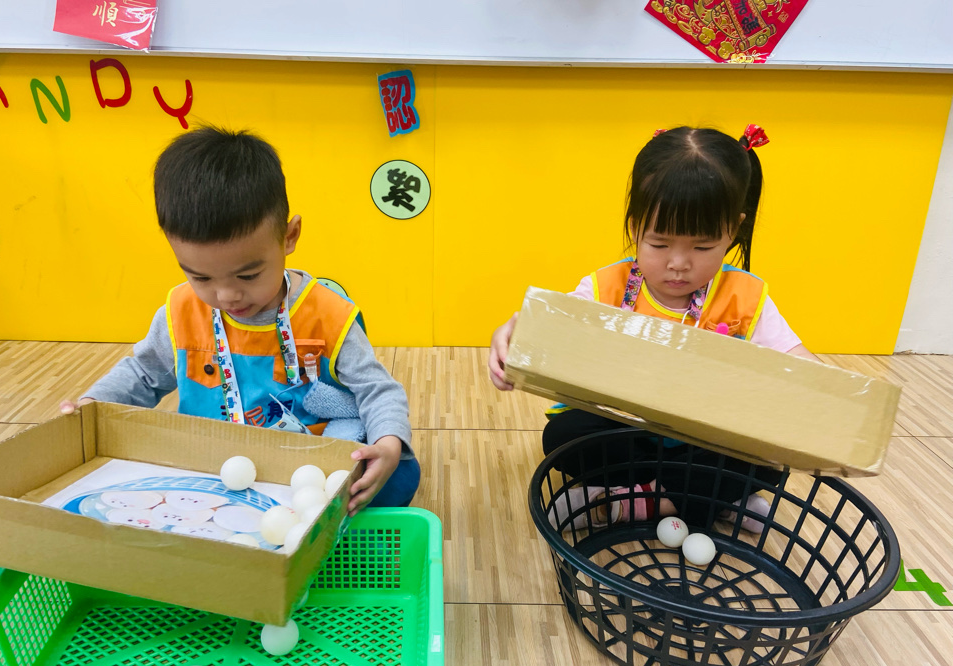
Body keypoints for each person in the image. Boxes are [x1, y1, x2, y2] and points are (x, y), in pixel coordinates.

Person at [60, 126, 418, 513]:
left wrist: (387, 442)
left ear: (289, 236)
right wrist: (92, 403)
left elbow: (378, 390)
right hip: (209, 465)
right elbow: (142, 375)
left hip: (305, 468)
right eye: (201, 278)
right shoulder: (180, 312)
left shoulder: (329, 315)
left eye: (247, 276)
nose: (226, 295)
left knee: (398, 473)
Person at [488, 125, 816, 531]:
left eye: (702, 246)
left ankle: (632, 504)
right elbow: (548, 327)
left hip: (704, 441)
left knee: (771, 458)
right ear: (634, 226)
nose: (678, 263)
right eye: (659, 244)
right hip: (629, 432)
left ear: (733, 230)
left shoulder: (746, 297)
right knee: (566, 436)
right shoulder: (606, 287)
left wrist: (826, 399)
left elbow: (803, 366)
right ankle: (710, 500)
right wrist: (510, 334)